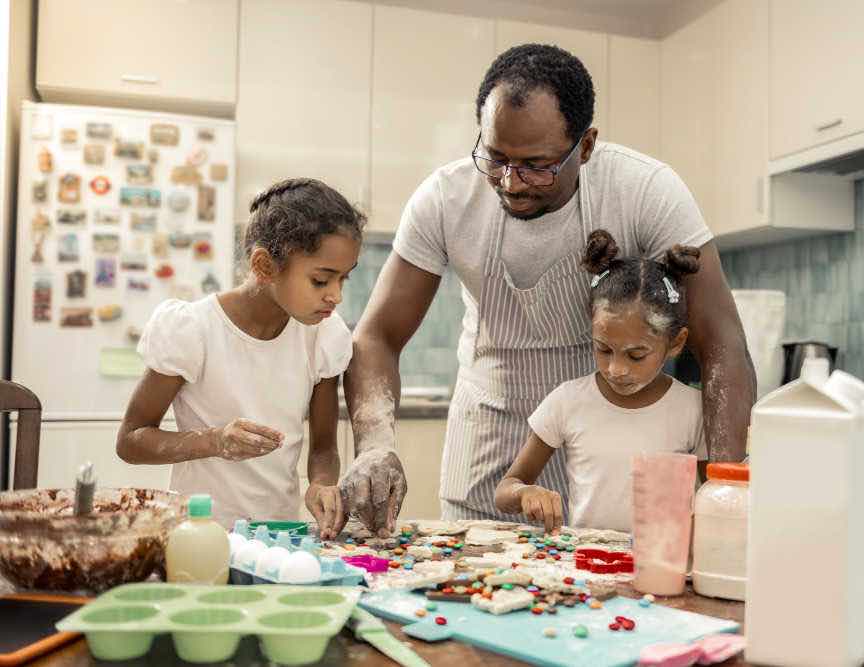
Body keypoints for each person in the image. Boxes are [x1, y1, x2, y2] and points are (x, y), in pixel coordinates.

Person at [341, 43, 754, 532]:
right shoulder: (444, 199)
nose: (511, 183)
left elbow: (721, 339)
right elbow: (376, 336)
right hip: (487, 447)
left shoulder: (646, 191)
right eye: (494, 158)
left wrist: (724, 492)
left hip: (602, 447)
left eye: (537, 165)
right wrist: (375, 446)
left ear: (585, 145)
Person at [117, 178, 363, 537]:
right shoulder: (193, 330)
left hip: (279, 535)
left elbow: (324, 447)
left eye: (344, 279)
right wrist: (216, 440)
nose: (336, 296)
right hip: (197, 535)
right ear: (264, 265)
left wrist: (322, 483)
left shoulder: (323, 336)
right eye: (321, 281)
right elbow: (130, 440)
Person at [494, 230, 707, 533]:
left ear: (675, 343)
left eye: (636, 355)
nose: (616, 369)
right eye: (603, 349)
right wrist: (525, 493)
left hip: (658, 566)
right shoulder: (568, 401)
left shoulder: (692, 409)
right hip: (586, 566)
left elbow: (715, 496)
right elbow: (505, 490)